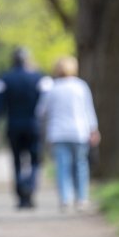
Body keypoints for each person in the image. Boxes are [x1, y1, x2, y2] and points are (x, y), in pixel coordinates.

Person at [0, 47, 53, 209]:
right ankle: (30, 189)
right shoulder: (39, 78)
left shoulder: (5, 79)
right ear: (27, 59)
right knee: (35, 161)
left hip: (14, 125)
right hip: (34, 126)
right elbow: (46, 105)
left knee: (17, 161)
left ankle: (21, 196)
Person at [35, 56, 100, 212]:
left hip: (58, 133)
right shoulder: (81, 86)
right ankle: (82, 199)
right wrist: (94, 129)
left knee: (62, 167)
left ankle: (65, 199)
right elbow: (88, 109)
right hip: (79, 132)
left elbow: (40, 112)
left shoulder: (52, 88)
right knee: (81, 165)